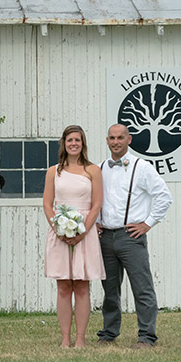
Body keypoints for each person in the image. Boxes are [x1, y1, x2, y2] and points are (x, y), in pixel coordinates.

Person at [96, 124, 172, 348]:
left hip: (130, 236)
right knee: (109, 289)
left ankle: (147, 336)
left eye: (120, 137)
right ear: (107, 140)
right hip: (105, 238)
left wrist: (147, 224)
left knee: (142, 288)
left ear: (129, 140)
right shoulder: (100, 168)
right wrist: (97, 223)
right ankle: (109, 333)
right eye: (112, 137)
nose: (116, 141)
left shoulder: (142, 167)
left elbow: (164, 197)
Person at [42, 125, 104, 349]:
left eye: (77, 140)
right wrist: (58, 228)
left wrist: (82, 231)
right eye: (70, 140)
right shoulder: (54, 171)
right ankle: (65, 338)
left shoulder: (93, 171)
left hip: (85, 231)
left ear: (83, 143)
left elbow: (96, 204)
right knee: (63, 285)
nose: (73, 144)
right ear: (64, 143)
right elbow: (47, 204)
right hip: (59, 232)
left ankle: (80, 339)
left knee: (82, 285)